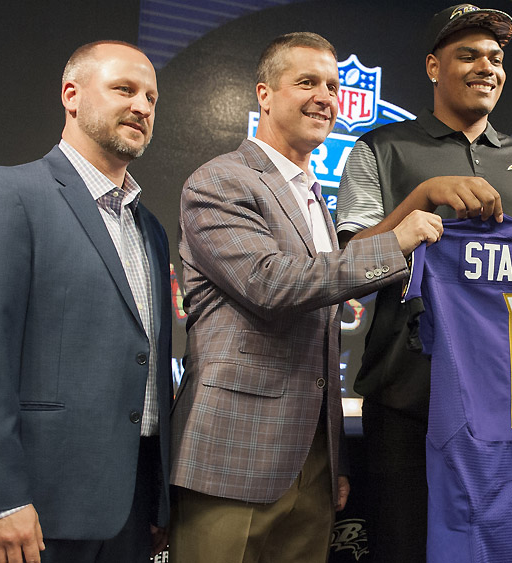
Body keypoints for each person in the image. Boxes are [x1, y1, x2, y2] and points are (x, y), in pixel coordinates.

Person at [335, 4, 512, 560]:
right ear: (434, 67)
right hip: (410, 401)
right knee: (406, 548)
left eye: (497, 58)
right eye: (470, 55)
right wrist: (420, 198)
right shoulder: (380, 150)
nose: (488, 66)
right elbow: (348, 272)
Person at [168, 32, 441, 563]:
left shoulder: (315, 196)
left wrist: (332, 458)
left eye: (333, 86)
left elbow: (320, 338)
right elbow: (272, 285)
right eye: (307, 82)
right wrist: (398, 239)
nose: (325, 96)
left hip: (312, 465)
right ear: (264, 94)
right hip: (232, 458)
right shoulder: (221, 181)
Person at [0, 41, 171, 563]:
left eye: (152, 97)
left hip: (129, 514)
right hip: (28, 512)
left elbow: (145, 371)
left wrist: (158, 501)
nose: (142, 107)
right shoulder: (4, 194)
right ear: (72, 95)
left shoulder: (150, 228)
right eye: (124, 89)